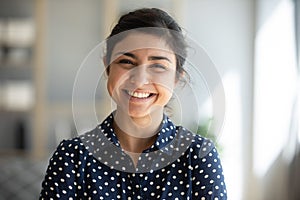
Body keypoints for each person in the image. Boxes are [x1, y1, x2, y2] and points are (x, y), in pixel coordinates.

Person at [40, 8, 227, 199]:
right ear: (107, 66)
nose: (139, 81)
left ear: (177, 77)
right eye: (127, 61)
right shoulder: (72, 157)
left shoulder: (199, 157)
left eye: (158, 66)